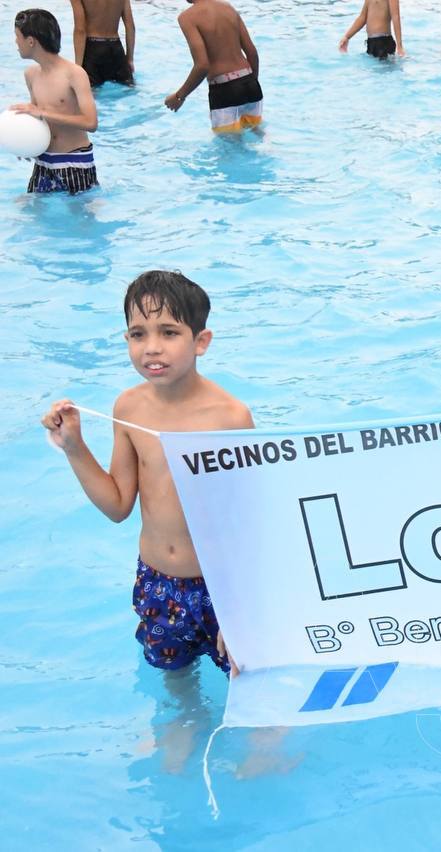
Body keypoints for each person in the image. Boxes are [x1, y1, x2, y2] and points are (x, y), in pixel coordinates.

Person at [41, 271, 254, 681]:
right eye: (138, 334)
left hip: (220, 589)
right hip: (156, 581)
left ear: (201, 342)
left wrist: (239, 609)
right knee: (176, 682)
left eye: (169, 332)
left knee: (245, 679)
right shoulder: (129, 408)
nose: (152, 347)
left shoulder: (230, 418)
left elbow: (248, 523)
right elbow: (118, 505)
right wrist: (74, 446)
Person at [11, 9, 99, 194]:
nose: (16, 42)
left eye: (17, 36)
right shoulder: (31, 75)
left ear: (31, 41)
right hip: (43, 162)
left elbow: (91, 123)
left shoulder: (74, 74)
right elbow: (38, 122)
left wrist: (43, 113)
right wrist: (25, 145)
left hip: (75, 162)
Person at [163, 0, 262, 134]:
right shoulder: (228, 8)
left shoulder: (187, 17)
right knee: (257, 134)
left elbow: (202, 66)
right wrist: (251, 83)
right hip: (251, 84)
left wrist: (179, 97)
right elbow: (252, 53)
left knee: (229, 145)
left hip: (224, 89)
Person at [70, 0, 134, 87]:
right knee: (128, 89)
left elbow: (80, 29)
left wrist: (78, 67)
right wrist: (130, 59)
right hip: (116, 50)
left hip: (93, 51)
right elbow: (130, 26)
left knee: (88, 92)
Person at [339, 0, 404, 60]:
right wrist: (347, 37)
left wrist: (399, 46)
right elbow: (362, 17)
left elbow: (395, 17)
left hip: (384, 42)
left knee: (385, 67)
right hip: (371, 42)